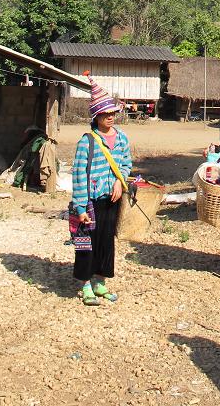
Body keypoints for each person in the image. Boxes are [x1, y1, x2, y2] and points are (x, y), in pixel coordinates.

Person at [71, 76, 132, 306]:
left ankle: (100, 282)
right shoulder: (87, 142)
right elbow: (78, 174)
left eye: (113, 113)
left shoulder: (123, 138)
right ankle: (86, 284)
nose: (110, 116)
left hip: (111, 199)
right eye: (106, 113)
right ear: (96, 116)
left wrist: (120, 180)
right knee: (87, 242)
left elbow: (126, 163)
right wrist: (79, 206)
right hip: (90, 202)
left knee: (107, 241)